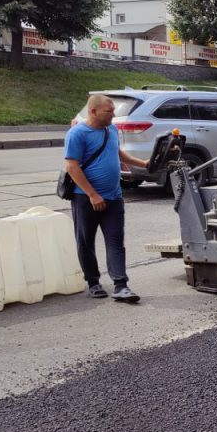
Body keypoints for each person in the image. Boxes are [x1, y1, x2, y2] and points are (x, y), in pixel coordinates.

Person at [64, 94, 149, 303]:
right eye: (109, 111)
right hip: (86, 198)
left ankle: (121, 285)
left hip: (114, 197)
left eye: (113, 111)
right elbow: (72, 166)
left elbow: (118, 153)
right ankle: (93, 282)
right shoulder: (77, 133)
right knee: (86, 242)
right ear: (93, 111)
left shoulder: (111, 129)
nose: (113, 115)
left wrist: (144, 164)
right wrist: (92, 194)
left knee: (115, 241)